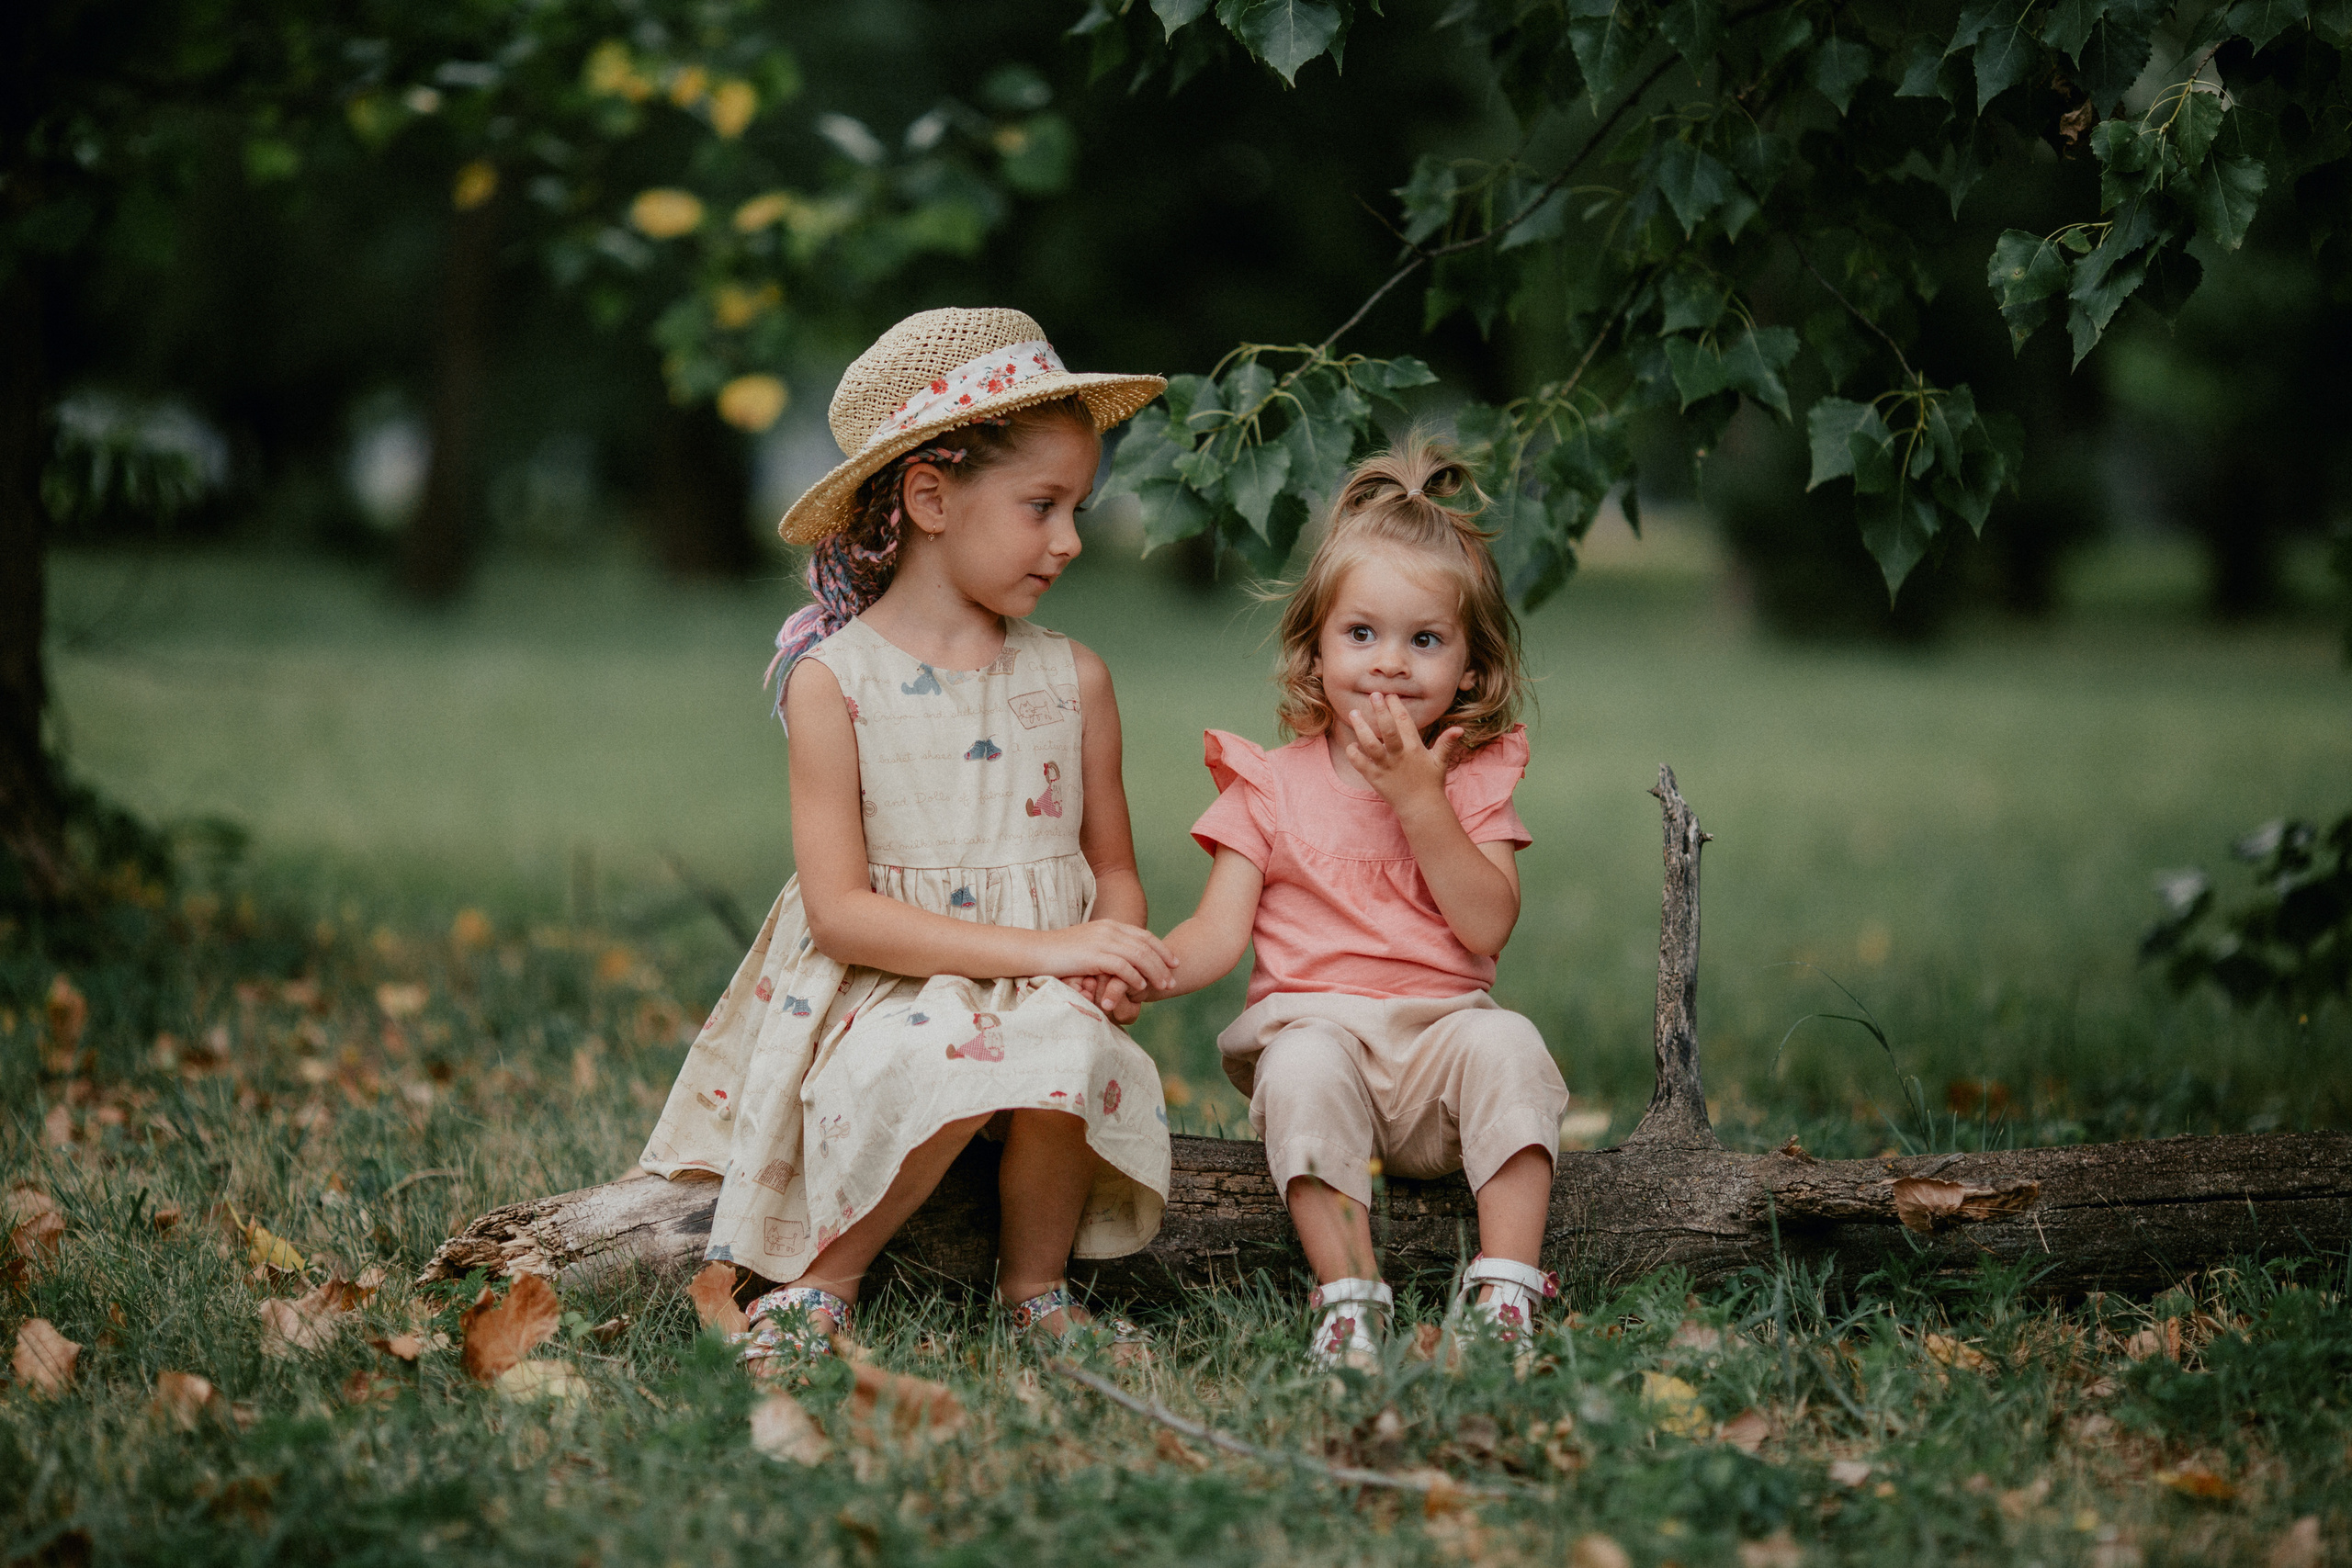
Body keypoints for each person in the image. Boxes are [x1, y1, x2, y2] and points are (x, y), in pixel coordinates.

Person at [639, 308, 1176, 1372]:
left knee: (1067, 1041)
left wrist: (1107, 951)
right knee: (930, 1055)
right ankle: (822, 1281)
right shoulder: (838, 682)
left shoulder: (1073, 678)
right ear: (931, 496)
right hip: (881, 987)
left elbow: (1113, 869)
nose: (1070, 540)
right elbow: (842, 913)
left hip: (1045, 984)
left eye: (1078, 507)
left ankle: (1036, 1290)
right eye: (1042, 506)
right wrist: (1052, 952)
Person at [1142, 434, 1568, 1367]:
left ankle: (1504, 1288)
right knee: (1302, 1070)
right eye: (1360, 634)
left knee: (1512, 1045)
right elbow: (1217, 933)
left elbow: (1488, 924)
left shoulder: (1471, 780)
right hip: (1315, 1037)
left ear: (1471, 669)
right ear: (1316, 646)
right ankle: (1348, 1296)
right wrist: (1144, 969)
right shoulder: (1270, 783)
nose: (1387, 664)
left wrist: (1421, 801)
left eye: (1424, 640)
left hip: (1440, 1047)